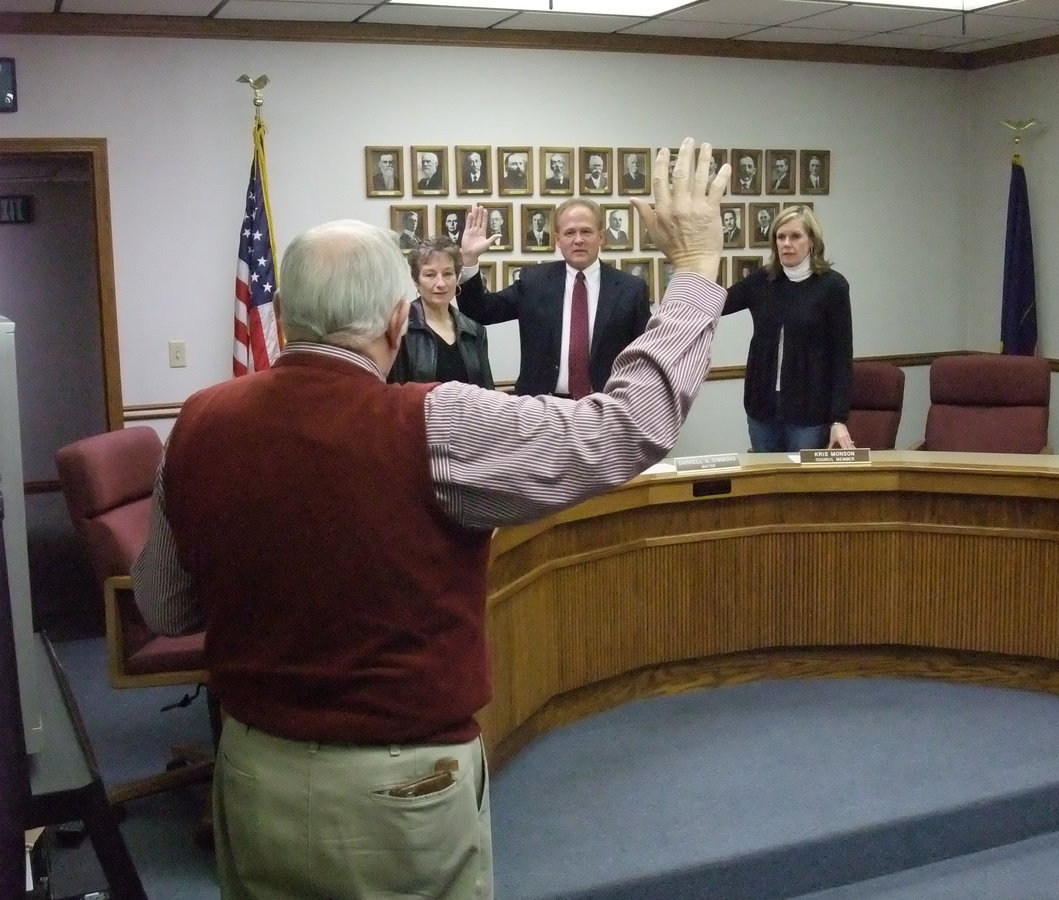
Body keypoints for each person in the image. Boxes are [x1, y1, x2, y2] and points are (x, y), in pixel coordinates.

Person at [132, 137, 730, 900]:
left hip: (252, 772)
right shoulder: (437, 425)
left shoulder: (196, 422)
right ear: (397, 320)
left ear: (283, 314)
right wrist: (697, 270)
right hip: (400, 791)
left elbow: (164, 605)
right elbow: (628, 427)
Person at [457, 197, 651, 397]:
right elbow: (479, 312)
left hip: (607, 408)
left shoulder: (631, 289)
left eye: (586, 231)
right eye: (569, 233)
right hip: (543, 409)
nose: (578, 240)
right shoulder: (534, 282)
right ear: (558, 240)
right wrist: (469, 259)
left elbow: (645, 357)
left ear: (601, 237)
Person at [722, 205, 854, 453]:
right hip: (762, 408)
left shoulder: (832, 287)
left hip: (808, 412)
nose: (786, 243)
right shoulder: (763, 280)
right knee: (764, 485)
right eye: (780, 237)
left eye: (795, 236)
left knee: (799, 488)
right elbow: (717, 304)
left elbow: (842, 357)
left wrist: (838, 419)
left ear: (812, 241)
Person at [389, 236, 494, 390]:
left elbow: (486, 393)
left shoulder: (475, 331)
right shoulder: (400, 327)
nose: (441, 283)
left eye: (447, 274)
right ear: (416, 281)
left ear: (457, 278)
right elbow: (393, 395)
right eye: (430, 275)